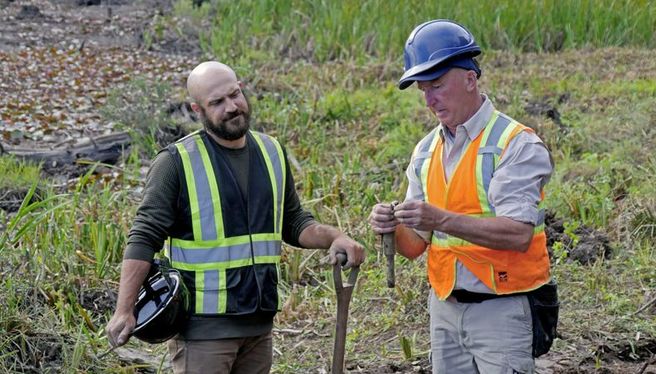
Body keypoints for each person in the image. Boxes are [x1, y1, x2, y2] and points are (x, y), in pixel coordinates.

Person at [106, 61, 365, 373]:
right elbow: (143, 237)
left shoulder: (271, 151)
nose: (231, 107)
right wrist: (124, 310)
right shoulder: (176, 163)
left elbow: (294, 221)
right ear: (197, 110)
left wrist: (335, 237)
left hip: (259, 325)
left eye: (234, 95)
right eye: (217, 102)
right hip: (203, 332)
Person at [369, 20, 553, 373]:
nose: (429, 100)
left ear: (470, 79)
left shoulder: (514, 144)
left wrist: (438, 218)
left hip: (501, 309)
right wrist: (390, 226)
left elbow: (517, 234)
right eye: (423, 90)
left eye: (437, 85)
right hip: (444, 311)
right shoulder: (425, 151)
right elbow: (413, 247)